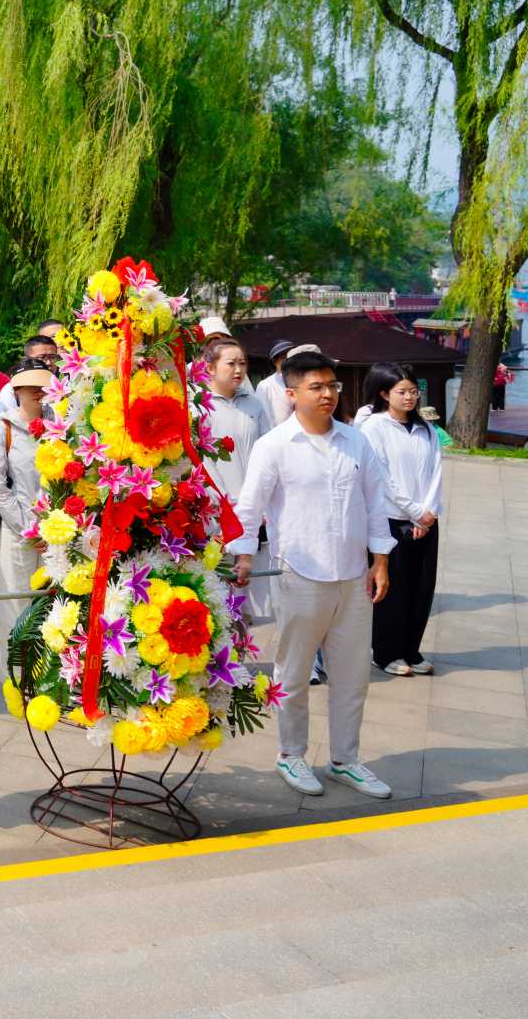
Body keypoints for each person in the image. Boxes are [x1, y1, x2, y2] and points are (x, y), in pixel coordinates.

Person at [229, 350, 396, 801]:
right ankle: (291, 754)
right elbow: (250, 506)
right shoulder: (275, 445)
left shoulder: (355, 441)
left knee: (352, 674)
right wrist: (243, 556)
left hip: (353, 576)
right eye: (316, 387)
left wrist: (380, 560)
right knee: (294, 672)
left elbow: (375, 502)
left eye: (332, 386)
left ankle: (345, 759)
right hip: (299, 575)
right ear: (291, 394)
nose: (327, 394)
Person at [359, 363, 444, 678]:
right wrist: (414, 512)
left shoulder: (426, 429)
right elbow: (382, 478)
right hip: (392, 520)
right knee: (392, 588)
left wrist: (428, 512)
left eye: (413, 391)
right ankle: (385, 652)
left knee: (422, 587)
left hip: (426, 521)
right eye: (402, 392)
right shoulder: (374, 427)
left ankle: (411, 648)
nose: (409, 397)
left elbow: (436, 471)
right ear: (384, 394)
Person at [0, 364, 53, 645]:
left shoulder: (61, 428)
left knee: (52, 613)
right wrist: (29, 529)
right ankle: (13, 672)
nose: (38, 391)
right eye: (30, 385)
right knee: (15, 611)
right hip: (16, 532)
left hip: (56, 534)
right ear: (16, 389)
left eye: (43, 385)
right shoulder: (3, 430)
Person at [203, 338, 269, 614]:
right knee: (214, 585)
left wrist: (260, 501)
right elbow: (201, 461)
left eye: (243, 363)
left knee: (247, 586)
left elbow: (267, 452)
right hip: (214, 509)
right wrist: (222, 499)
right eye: (231, 363)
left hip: (251, 509)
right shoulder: (199, 405)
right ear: (210, 368)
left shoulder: (254, 405)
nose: (239, 370)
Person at [0, 335, 60, 415]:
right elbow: (8, 420)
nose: (48, 362)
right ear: (26, 359)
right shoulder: (12, 389)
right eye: (41, 357)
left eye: (52, 357)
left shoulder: (63, 386)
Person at [254, 340, 298, 427]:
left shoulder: (301, 381)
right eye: (283, 357)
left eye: (290, 357)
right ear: (274, 361)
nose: (288, 360)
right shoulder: (265, 385)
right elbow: (263, 418)